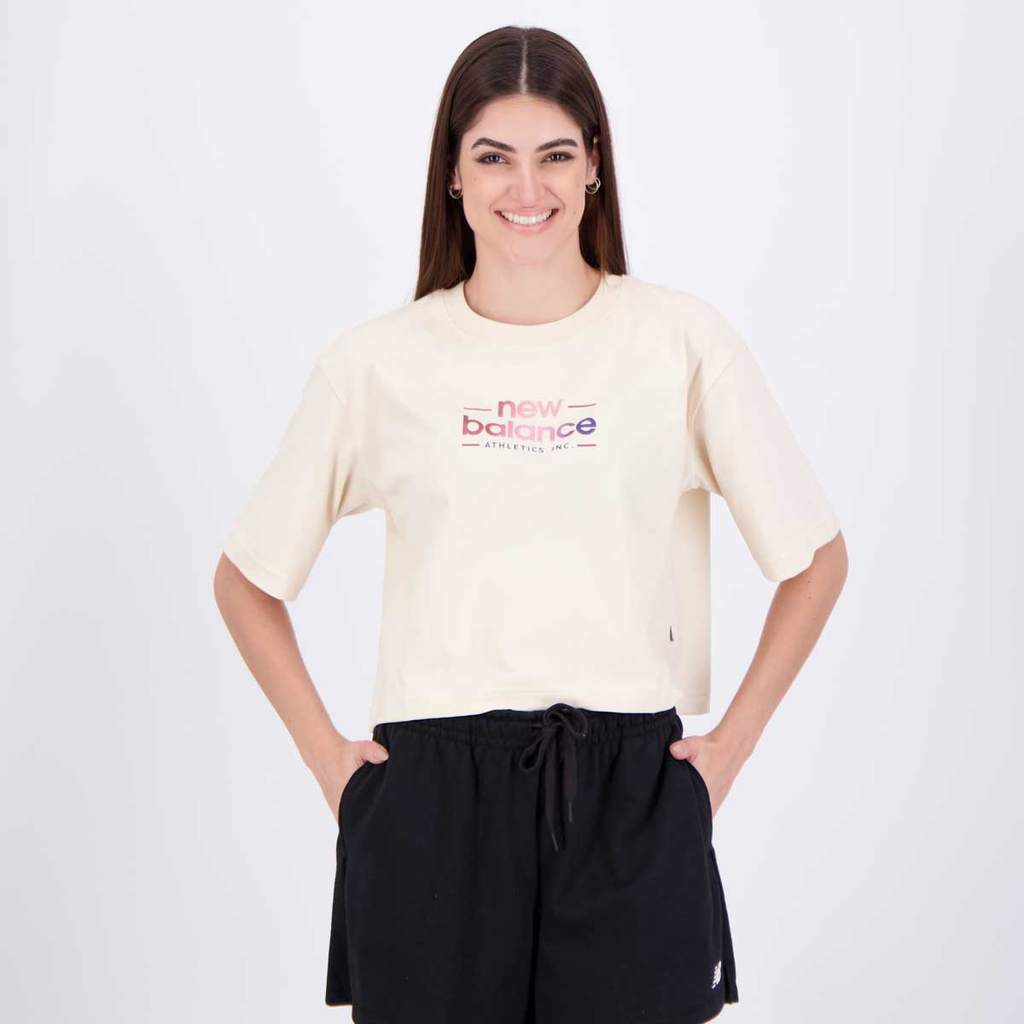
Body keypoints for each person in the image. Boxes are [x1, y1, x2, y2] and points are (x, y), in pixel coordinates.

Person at [214, 24, 847, 1024]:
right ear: (452, 176)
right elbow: (246, 579)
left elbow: (815, 559)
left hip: (629, 799)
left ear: (594, 165)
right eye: (492, 156)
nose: (526, 187)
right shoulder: (378, 365)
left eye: (554, 154)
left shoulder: (678, 342)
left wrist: (724, 754)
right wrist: (333, 768)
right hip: (430, 809)